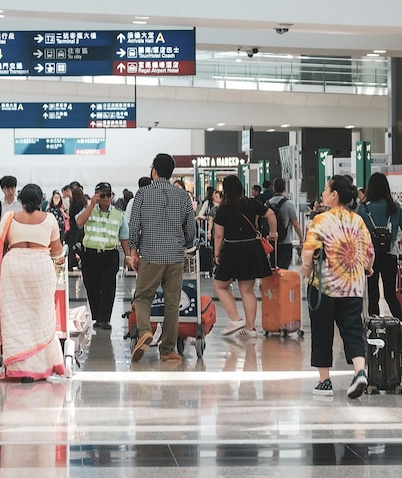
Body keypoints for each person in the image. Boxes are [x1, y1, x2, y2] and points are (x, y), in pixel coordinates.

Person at [302, 175, 375, 399]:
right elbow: (370, 254)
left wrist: (307, 272)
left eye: (325, 190)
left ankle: (325, 383)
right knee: (353, 329)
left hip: (324, 287)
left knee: (322, 333)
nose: (323, 194)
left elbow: (307, 255)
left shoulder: (321, 220)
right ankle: (360, 371)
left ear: (334, 195)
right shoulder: (358, 221)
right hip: (352, 287)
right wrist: (367, 270)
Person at [0, 183, 66, 381]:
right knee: (41, 314)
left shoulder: (9, 218)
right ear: (41, 200)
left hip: (14, 269)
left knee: (14, 317)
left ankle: (18, 366)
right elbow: (57, 251)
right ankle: (39, 367)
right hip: (41, 267)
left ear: (21, 200)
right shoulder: (50, 219)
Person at [127, 153, 197, 364]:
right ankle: (167, 350)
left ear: (154, 171)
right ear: (171, 172)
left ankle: (145, 332)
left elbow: (134, 225)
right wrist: (183, 241)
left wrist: (133, 251)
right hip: (175, 257)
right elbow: (191, 229)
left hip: (150, 254)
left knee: (142, 297)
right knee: (173, 303)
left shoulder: (142, 194)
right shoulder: (183, 196)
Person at [212, 174, 275, 337]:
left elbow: (218, 235)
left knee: (220, 285)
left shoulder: (223, 208)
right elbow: (270, 214)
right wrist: (273, 233)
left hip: (232, 249)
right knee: (247, 290)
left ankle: (235, 318)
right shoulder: (251, 203)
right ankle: (250, 328)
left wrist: (216, 253)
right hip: (252, 248)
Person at [74, 182, 131, 330]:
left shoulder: (118, 214)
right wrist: (91, 204)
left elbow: (124, 237)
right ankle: (97, 316)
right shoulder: (88, 210)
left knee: (108, 287)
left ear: (112, 195)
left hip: (109, 254)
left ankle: (104, 319)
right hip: (90, 254)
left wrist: (128, 256)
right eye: (102, 195)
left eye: (108, 195)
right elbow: (79, 223)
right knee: (91, 286)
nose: (105, 198)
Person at [357, 172, 402, 320]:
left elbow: (357, 232)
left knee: (373, 294)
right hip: (390, 255)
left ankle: (374, 329)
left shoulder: (363, 209)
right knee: (390, 294)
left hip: (370, 258)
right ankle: (401, 328)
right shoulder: (394, 208)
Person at [267, 177, 305, 266]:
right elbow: (295, 224)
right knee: (284, 271)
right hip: (286, 242)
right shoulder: (289, 204)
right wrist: (301, 239)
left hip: (272, 242)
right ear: (285, 189)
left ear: (273, 188)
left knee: (273, 270)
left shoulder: (267, 204)